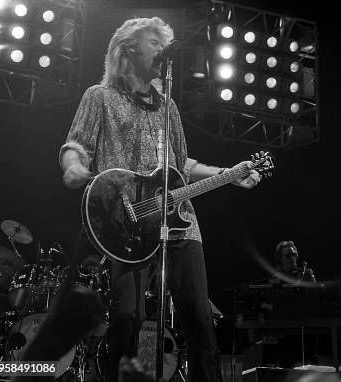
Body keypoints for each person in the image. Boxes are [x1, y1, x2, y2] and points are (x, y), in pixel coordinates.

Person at [59, 17, 260, 382]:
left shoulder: (167, 106)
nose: (162, 50)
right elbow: (77, 144)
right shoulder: (99, 97)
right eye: (154, 42)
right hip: (127, 224)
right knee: (126, 317)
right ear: (130, 48)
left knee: (199, 316)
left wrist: (229, 175)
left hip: (179, 221)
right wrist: (73, 167)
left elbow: (181, 162)